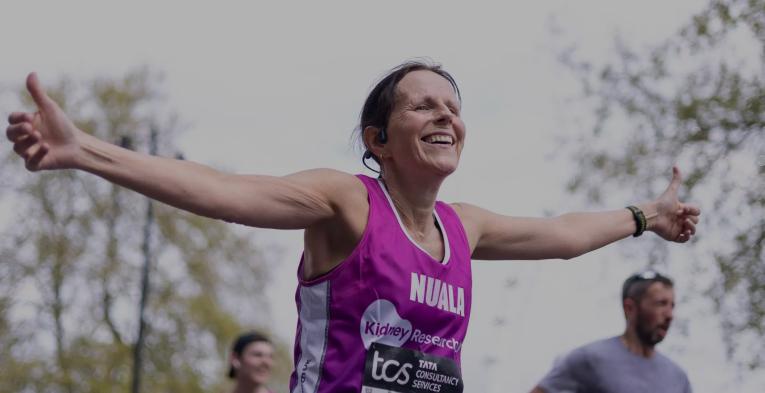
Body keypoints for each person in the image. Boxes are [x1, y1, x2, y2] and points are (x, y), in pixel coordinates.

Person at [5, 60, 700, 392]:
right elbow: (223, 191)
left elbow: (566, 236)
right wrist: (84, 151)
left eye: (452, 107)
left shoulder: (467, 226)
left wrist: (645, 216)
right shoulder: (348, 202)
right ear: (378, 138)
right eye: (421, 106)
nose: (444, 116)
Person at [530, 270, 692, 393]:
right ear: (630, 308)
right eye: (661, 304)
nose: (670, 315)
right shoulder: (590, 358)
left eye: (672, 306)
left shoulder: (678, 377)